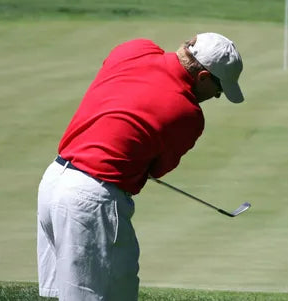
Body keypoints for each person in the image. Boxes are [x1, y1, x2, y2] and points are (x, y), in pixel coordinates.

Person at [36, 32, 244, 300]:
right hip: (91, 201)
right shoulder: (189, 115)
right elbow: (156, 169)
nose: (216, 97)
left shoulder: (136, 49)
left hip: (53, 181)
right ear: (203, 77)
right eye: (218, 90)